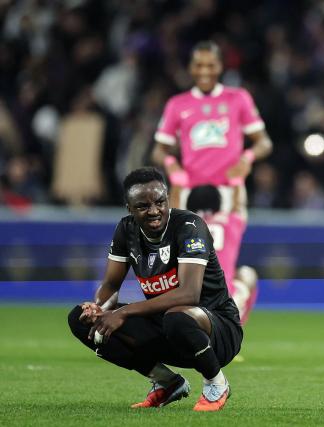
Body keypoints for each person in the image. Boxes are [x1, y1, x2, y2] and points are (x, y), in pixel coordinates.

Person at [67, 167, 242, 411]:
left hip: (218, 331)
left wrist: (124, 312)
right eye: (142, 206)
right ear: (129, 208)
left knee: (178, 316)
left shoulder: (190, 226)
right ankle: (167, 382)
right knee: (81, 319)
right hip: (168, 327)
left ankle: (216, 383)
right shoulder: (126, 230)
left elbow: (189, 294)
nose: (154, 211)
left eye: (160, 202)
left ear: (168, 199)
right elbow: (110, 285)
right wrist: (100, 307)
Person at [151, 39, 272, 211]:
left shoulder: (238, 98)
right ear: (190, 67)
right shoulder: (177, 104)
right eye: (199, 65)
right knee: (189, 238)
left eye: (210, 65)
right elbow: (158, 151)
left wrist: (247, 159)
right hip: (189, 193)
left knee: (226, 238)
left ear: (220, 66)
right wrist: (171, 163)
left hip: (230, 192)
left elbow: (264, 143)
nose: (204, 71)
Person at [186, 184, 258, 325]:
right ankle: (236, 325)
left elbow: (173, 206)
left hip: (188, 302)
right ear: (219, 203)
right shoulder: (230, 221)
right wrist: (237, 180)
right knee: (247, 274)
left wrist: (176, 181)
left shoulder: (182, 224)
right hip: (224, 301)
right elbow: (238, 206)